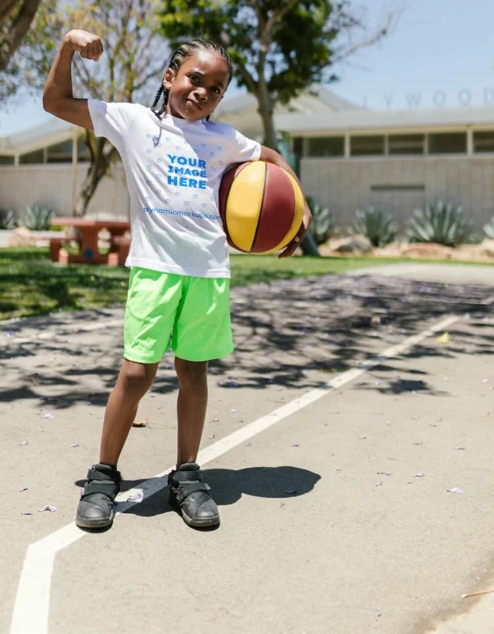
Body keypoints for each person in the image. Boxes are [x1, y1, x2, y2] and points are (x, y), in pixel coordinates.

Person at [42, 28, 311, 531]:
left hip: (207, 273)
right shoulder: (134, 122)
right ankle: (104, 476)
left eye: (216, 87)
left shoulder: (225, 139)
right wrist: (67, 47)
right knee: (136, 374)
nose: (203, 92)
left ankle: (186, 475)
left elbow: (272, 160)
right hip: (154, 270)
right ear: (170, 77)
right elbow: (55, 101)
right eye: (194, 79)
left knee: (193, 373)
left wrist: (298, 208)